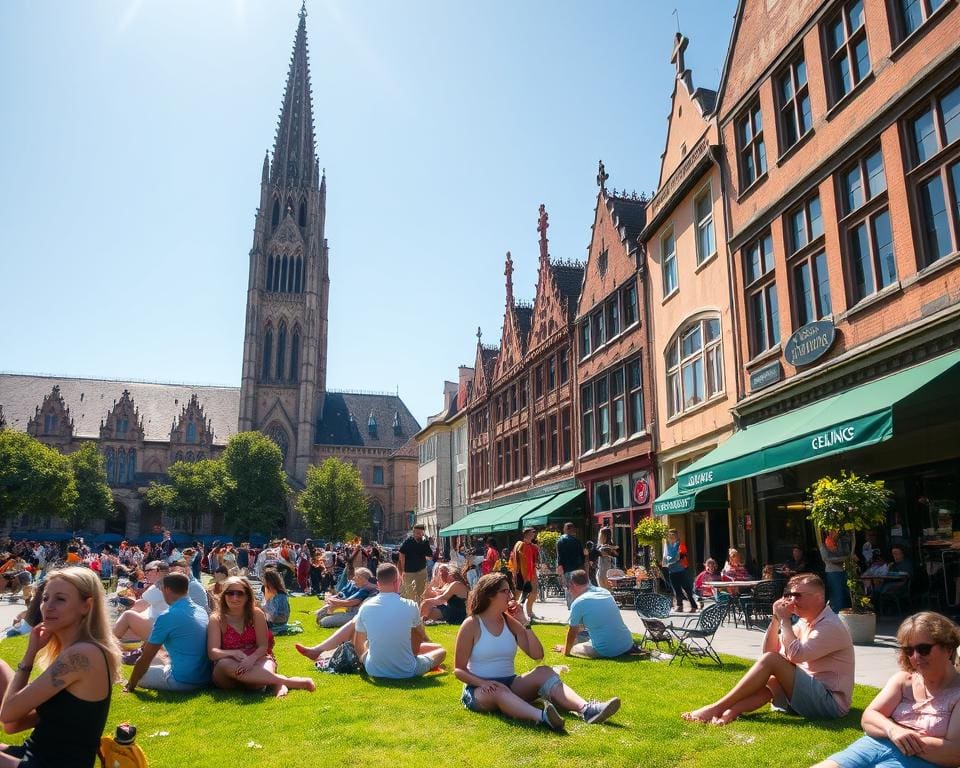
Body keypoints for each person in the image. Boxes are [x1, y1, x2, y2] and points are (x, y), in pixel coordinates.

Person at [454, 572, 620, 731]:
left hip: (510, 684)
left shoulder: (510, 622)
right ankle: (543, 717)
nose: (511, 596)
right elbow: (459, 670)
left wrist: (525, 623)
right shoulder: (472, 624)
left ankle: (587, 709)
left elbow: (537, 655)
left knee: (544, 672)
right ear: (490, 595)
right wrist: (483, 683)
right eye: (505, 591)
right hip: (480, 690)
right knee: (499, 690)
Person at [682, 573, 854, 726]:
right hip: (812, 693)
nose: (791, 600)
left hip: (831, 704)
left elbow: (795, 656)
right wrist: (776, 620)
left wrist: (786, 621)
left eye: (797, 595)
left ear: (818, 597)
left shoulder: (830, 626)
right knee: (772, 678)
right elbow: (769, 652)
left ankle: (716, 708)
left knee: (773, 663)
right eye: (788, 595)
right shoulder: (805, 622)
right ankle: (730, 712)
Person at [0, 567, 121, 768]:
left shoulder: (81, 655)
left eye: (60, 599)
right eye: (45, 598)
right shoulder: (74, 651)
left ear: (86, 606)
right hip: (33, 754)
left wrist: (30, 655)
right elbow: (12, 725)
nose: (47, 607)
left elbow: (8, 714)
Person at [812, 612, 960, 768]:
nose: (916, 657)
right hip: (873, 746)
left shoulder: (957, 693)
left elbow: (954, 753)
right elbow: (868, 717)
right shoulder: (904, 680)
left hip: (921, 760)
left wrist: (906, 739)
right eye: (909, 651)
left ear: (948, 648)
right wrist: (893, 730)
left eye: (924, 649)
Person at [295, 564, 446, 679]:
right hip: (406, 669)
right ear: (397, 582)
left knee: (364, 633)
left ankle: (322, 651)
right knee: (441, 651)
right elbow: (419, 635)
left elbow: (359, 645)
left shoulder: (366, 607)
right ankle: (322, 651)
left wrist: (365, 658)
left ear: (378, 584)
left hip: (373, 668)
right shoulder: (410, 606)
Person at [207, 577, 314, 697]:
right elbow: (213, 652)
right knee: (224, 664)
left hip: (257, 659)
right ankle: (286, 682)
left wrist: (251, 659)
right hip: (229, 669)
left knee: (260, 672)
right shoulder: (216, 619)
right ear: (224, 596)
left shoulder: (256, 614)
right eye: (230, 593)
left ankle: (273, 682)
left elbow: (263, 646)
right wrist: (234, 653)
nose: (234, 598)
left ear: (247, 596)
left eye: (240, 593)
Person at [124, 572, 211, 692]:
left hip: (184, 680)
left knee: (140, 676)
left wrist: (130, 685)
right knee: (161, 655)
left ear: (167, 590)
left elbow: (145, 658)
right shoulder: (201, 611)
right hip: (204, 677)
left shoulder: (167, 616)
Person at [553, 570, 636, 659]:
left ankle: (570, 648)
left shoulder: (579, 602)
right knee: (581, 636)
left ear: (573, 584)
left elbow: (572, 631)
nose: (568, 591)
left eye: (567, 587)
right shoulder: (604, 592)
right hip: (627, 644)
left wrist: (566, 650)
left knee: (575, 648)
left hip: (607, 650)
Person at [112, 560, 170, 644]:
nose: (145, 574)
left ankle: (109, 645)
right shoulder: (164, 583)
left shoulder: (159, 586)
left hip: (160, 627)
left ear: (156, 571)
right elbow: (141, 602)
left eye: (147, 571)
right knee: (137, 607)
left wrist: (121, 598)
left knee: (127, 615)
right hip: (163, 622)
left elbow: (141, 599)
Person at [663, 529, 697, 613]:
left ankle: (694, 606)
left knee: (687, 589)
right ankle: (680, 606)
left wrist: (669, 560)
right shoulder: (667, 545)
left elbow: (678, 557)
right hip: (672, 571)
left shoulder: (680, 545)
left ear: (676, 536)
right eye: (670, 536)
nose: (671, 537)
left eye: (673, 535)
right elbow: (666, 557)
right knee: (676, 589)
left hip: (681, 570)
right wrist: (668, 560)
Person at [511, 528, 541, 622]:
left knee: (534, 592)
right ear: (526, 534)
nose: (534, 534)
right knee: (517, 594)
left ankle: (529, 612)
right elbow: (514, 558)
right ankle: (511, 612)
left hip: (532, 573)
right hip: (521, 573)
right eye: (532, 533)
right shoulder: (520, 544)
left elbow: (535, 558)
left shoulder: (533, 546)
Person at [398, 523, 432, 603]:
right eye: (417, 533)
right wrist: (403, 570)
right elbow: (401, 554)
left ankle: (419, 610)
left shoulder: (425, 542)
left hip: (421, 571)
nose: (419, 535)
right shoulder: (408, 542)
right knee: (410, 594)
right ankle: (410, 610)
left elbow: (430, 557)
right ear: (413, 532)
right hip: (409, 572)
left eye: (421, 533)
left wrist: (426, 545)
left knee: (421, 593)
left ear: (423, 533)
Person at [556, 523, 586, 608]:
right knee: (577, 587)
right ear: (572, 530)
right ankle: (577, 605)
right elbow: (582, 555)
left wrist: (559, 566)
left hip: (566, 568)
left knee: (569, 588)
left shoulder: (561, 540)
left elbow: (559, 556)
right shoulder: (577, 541)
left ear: (565, 529)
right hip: (577, 568)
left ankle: (571, 606)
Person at [820, 532, 849, 612]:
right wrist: (846, 558)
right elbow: (828, 559)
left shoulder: (841, 543)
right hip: (833, 572)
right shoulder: (824, 545)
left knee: (845, 593)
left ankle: (844, 614)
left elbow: (847, 552)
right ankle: (836, 615)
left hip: (844, 570)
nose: (837, 533)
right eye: (834, 531)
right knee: (837, 594)